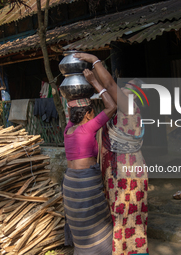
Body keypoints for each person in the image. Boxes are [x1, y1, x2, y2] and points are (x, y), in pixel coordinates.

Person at [74, 53, 149, 255]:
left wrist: (94, 60)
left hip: (127, 173)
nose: (120, 92)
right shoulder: (120, 115)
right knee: (120, 217)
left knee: (127, 217)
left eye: (125, 91)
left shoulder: (130, 108)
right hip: (117, 173)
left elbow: (109, 84)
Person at [63, 69, 117, 255]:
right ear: (87, 114)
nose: (94, 117)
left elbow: (70, 109)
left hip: (70, 185)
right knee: (97, 225)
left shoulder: (68, 129)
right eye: (92, 113)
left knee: (81, 227)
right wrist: (94, 82)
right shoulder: (88, 128)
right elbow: (111, 107)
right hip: (85, 185)